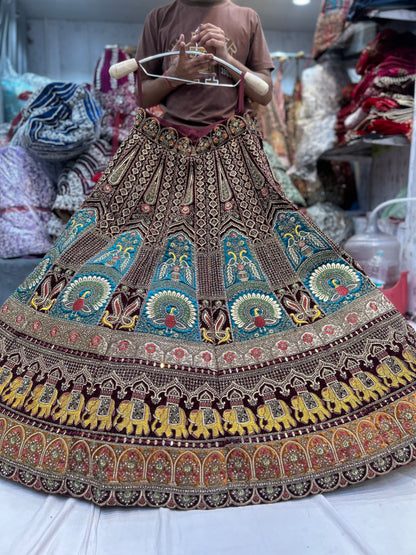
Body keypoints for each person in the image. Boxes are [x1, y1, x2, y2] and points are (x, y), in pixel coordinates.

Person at [0, 0, 416, 512]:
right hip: (160, 155)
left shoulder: (245, 19)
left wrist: (230, 62)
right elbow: (146, 91)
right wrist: (177, 71)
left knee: (270, 262)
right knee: (113, 252)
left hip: (232, 158)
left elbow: (262, 94)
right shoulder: (160, 18)